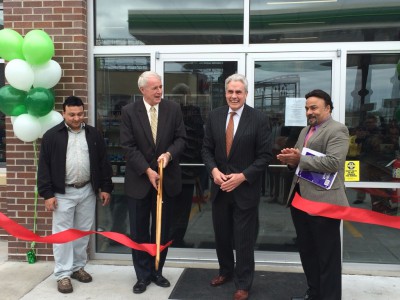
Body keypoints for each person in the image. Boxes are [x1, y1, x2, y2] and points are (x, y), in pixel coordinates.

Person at [202, 73, 272, 300]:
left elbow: (264, 156)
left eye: (238, 92)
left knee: (243, 239)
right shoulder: (214, 116)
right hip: (220, 189)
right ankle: (225, 271)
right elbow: (206, 149)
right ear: (225, 93)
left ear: (246, 94)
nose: (234, 96)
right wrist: (213, 171)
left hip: (245, 190)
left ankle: (243, 283)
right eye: (230, 92)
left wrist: (242, 177)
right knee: (221, 235)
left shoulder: (259, 119)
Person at [277, 89, 349, 300]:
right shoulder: (305, 131)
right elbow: (299, 161)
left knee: (327, 257)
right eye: (307, 108)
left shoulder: (338, 130)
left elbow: (334, 163)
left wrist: (299, 159)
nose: (309, 111)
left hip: (324, 203)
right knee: (308, 252)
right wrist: (290, 160)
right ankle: (314, 293)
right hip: (301, 200)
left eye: (314, 107)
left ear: (328, 108)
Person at [37, 96, 113, 294]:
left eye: (80, 114)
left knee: (82, 232)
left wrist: (106, 187)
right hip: (62, 193)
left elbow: (103, 162)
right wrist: (47, 194)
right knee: (62, 235)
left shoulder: (93, 134)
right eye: (72, 114)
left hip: (87, 190)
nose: (76, 118)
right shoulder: (52, 136)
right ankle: (62, 274)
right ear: (63, 113)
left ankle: (78, 267)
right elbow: (43, 167)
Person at [120, 71, 186, 294]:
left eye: (160, 86)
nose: (159, 91)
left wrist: (168, 155)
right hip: (139, 181)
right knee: (139, 231)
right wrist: (148, 170)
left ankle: (157, 270)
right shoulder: (129, 112)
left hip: (166, 182)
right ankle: (142, 275)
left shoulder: (173, 109)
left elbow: (181, 139)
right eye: (154, 88)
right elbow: (128, 147)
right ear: (142, 90)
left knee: (163, 230)